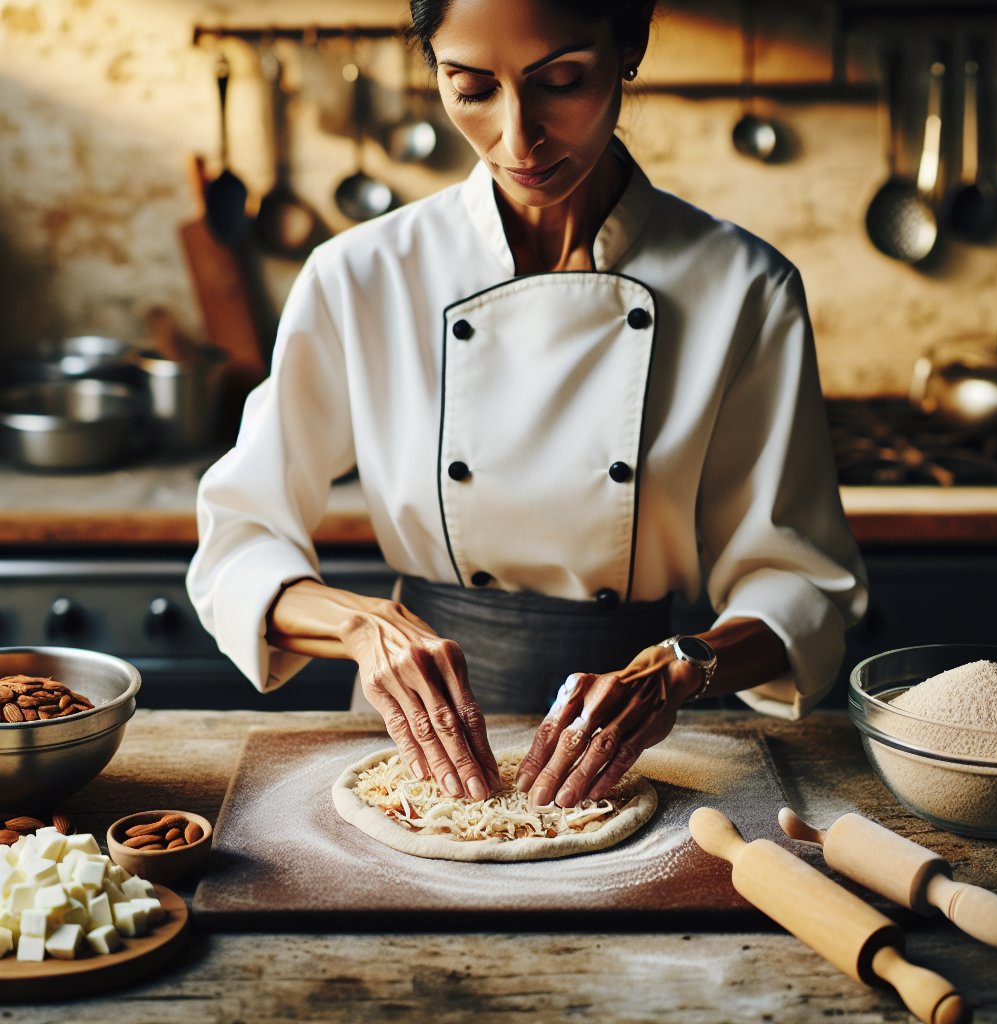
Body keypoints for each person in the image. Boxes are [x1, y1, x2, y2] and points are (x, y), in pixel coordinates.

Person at [187, 0, 867, 811]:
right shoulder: (361, 276)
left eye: (562, 81)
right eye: (471, 88)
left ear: (630, 47)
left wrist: (678, 668)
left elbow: (801, 585)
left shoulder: (743, 288)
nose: (519, 139)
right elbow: (239, 542)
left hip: (655, 744)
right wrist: (364, 628)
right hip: (414, 742)